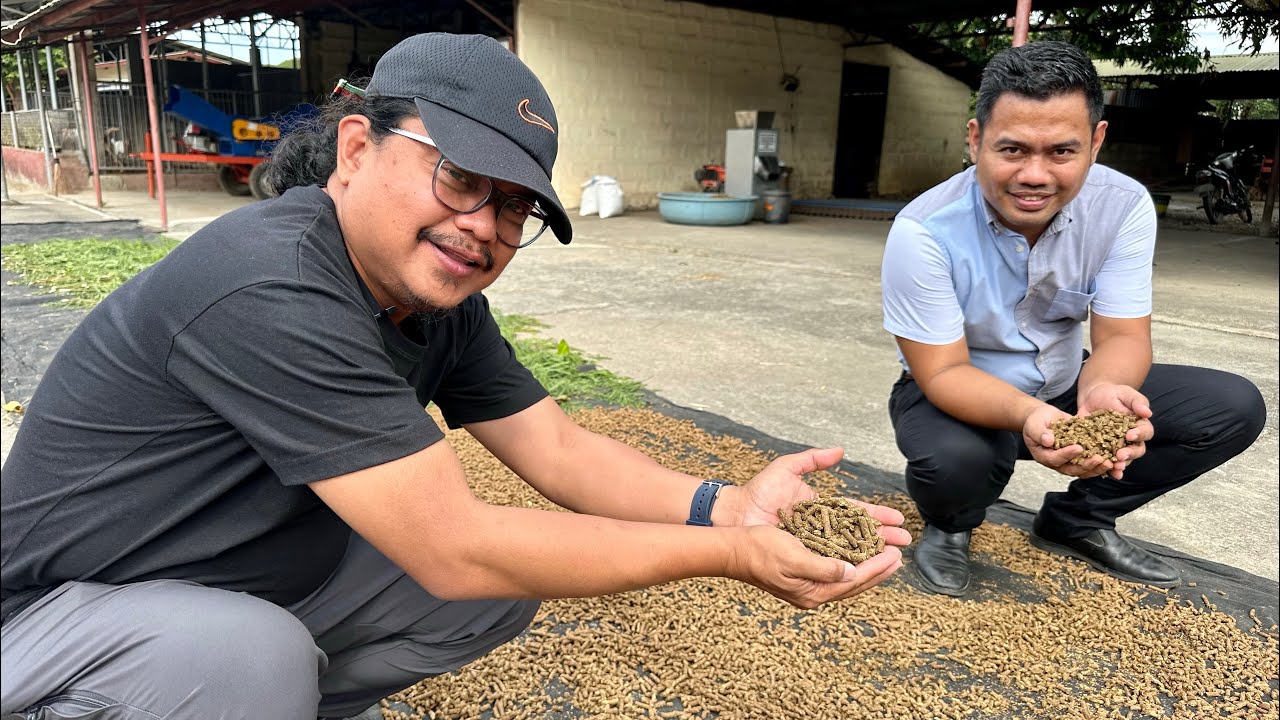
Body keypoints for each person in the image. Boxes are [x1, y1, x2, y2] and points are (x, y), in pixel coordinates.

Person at [0, 33, 909, 720]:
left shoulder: (436, 305)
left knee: (490, 589)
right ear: (357, 150)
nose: (486, 226)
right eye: (463, 179)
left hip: (221, 581)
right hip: (50, 616)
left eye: (516, 206)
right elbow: (454, 543)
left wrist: (729, 507)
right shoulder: (266, 279)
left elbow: (554, 448)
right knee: (254, 649)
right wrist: (735, 556)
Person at [879, 40, 1264, 598]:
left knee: (1230, 409)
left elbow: (1124, 335)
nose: (1034, 175)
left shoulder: (1123, 207)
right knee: (956, 461)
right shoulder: (923, 231)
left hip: (1065, 382)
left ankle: (1077, 519)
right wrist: (1034, 419)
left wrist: (1104, 392)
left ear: (1096, 141)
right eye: (1011, 149)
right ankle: (950, 525)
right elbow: (940, 373)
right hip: (955, 391)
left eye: (1062, 152)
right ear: (975, 139)